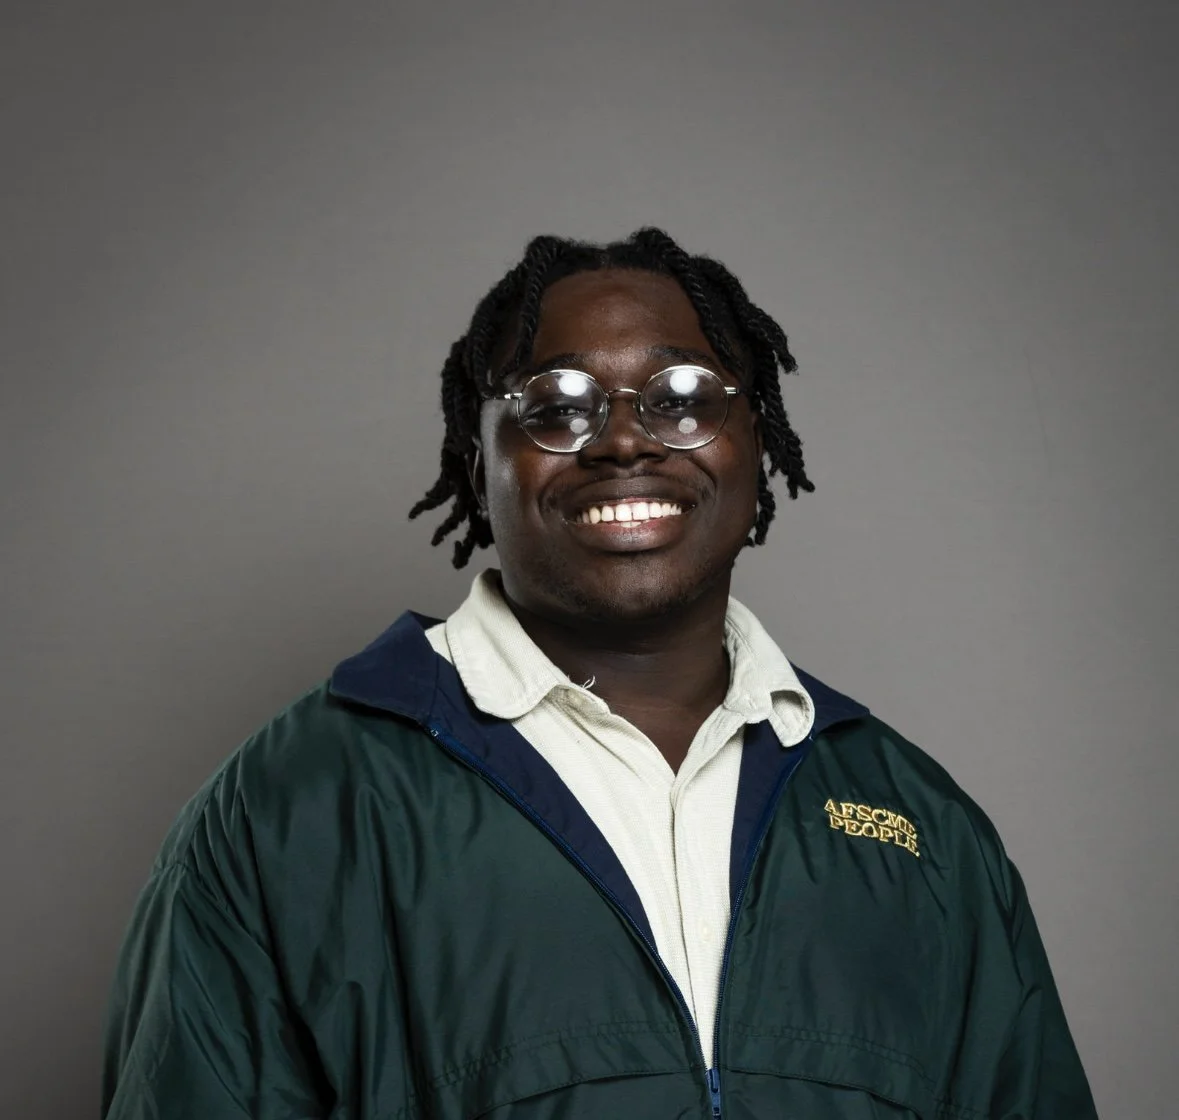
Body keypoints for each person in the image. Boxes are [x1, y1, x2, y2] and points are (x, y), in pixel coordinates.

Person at [102, 229, 1097, 1118]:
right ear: (479, 465)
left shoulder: (919, 825)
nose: (622, 440)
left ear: (754, 448)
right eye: (556, 406)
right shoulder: (293, 807)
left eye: (682, 400)